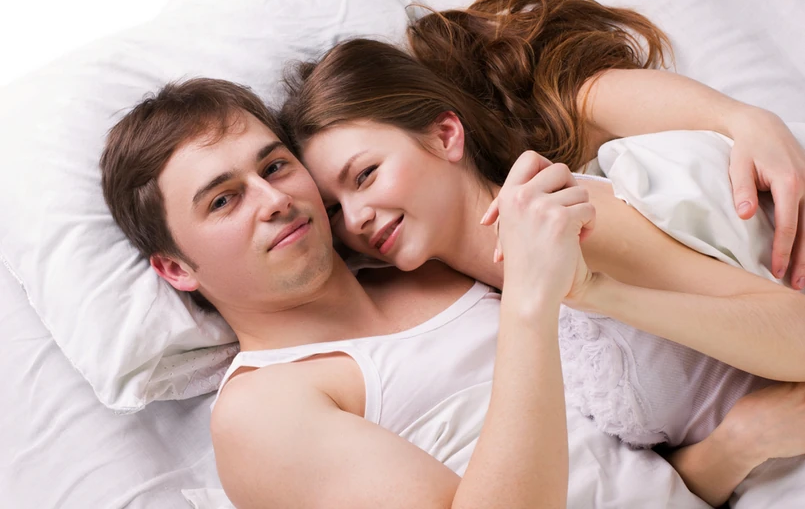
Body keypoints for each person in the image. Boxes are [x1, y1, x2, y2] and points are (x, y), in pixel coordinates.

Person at [101, 79, 805, 508]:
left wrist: (738, 117)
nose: (273, 199)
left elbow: (546, 91)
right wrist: (532, 300)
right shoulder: (262, 410)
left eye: (276, 166)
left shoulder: (423, 253)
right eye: (223, 200)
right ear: (176, 269)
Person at [281, 0, 805, 506]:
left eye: (365, 175)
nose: (355, 219)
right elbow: (664, 476)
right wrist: (739, 442)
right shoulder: (490, 311)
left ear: (445, 135)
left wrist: (592, 292)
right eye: (333, 209)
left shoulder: (570, 219)